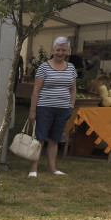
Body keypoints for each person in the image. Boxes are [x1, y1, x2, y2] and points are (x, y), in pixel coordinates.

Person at [27, 37, 76, 178]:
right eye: (58, 50)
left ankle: (52, 168)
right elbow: (36, 90)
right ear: (53, 50)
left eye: (63, 50)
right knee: (40, 138)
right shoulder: (44, 67)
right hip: (45, 107)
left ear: (68, 51)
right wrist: (32, 110)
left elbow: (73, 89)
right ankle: (33, 169)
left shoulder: (71, 67)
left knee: (55, 139)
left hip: (63, 109)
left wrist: (71, 106)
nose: (60, 53)